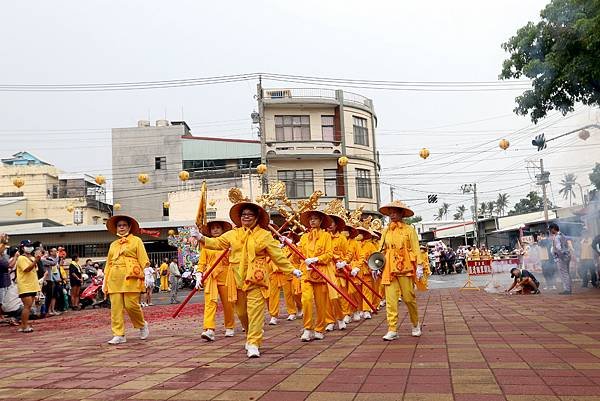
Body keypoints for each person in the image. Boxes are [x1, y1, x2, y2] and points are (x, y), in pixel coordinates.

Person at [194, 201, 302, 358]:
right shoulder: (233, 234)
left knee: (255, 311)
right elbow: (217, 243)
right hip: (236, 277)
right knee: (242, 312)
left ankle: (253, 342)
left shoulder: (265, 236)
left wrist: (291, 269)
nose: (246, 217)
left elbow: (277, 256)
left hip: (256, 276)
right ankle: (251, 333)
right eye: (244, 215)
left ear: (257, 218)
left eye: (250, 215)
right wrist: (201, 237)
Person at [378, 201, 424, 341]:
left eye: (395, 212)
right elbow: (381, 248)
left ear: (401, 213)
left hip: (405, 267)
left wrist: (420, 265)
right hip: (389, 268)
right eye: (390, 212)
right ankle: (392, 329)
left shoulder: (409, 229)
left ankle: (415, 324)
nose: (392, 215)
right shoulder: (386, 230)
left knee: (409, 298)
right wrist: (376, 264)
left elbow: (416, 247)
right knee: (391, 300)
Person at [103, 215, 150, 345]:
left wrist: (146, 271)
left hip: (131, 276)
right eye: (119, 225)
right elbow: (108, 263)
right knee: (116, 307)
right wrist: (104, 280)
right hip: (114, 277)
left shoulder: (136, 241)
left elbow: (143, 257)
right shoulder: (113, 244)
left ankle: (141, 324)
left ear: (129, 227)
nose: (122, 227)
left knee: (131, 305)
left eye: (124, 225)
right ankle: (119, 334)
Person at [295, 210, 334, 342]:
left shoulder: (326, 236)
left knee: (320, 302)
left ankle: (319, 328)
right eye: (311, 219)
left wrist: (316, 259)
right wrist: (288, 245)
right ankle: (307, 328)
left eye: (316, 219)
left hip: (320, 272)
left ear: (321, 221)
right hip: (306, 272)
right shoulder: (304, 237)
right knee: (306, 300)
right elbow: (298, 253)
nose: (312, 221)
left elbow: (329, 255)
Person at [196, 219, 236, 341]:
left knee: (228, 303)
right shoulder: (206, 246)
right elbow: (202, 263)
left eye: (218, 227)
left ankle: (229, 326)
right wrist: (199, 275)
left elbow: (235, 260)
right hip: (211, 277)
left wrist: (231, 251)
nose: (215, 230)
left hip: (226, 276)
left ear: (223, 230)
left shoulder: (228, 244)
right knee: (210, 303)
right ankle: (209, 329)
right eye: (213, 228)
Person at [324, 210, 349, 330]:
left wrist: (344, 261)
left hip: (338, 270)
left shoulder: (342, 238)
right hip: (325, 268)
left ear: (336, 224)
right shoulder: (323, 237)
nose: (330, 225)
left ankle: (340, 317)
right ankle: (329, 321)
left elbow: (348, 253)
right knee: (326, 298)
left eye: (332, 222)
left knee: (337, 296)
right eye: (328, 222)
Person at [268, 231, 299, 326]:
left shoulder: (288, 247)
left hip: (285, 273)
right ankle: (273, 315)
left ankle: (292, 312)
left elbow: (295, 254)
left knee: (289, 294)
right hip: (273, 273)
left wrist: (290, 245)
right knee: (272, 295)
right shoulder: (272, 245)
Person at [15, 240, 42, 333]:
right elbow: (26, 269)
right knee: (27, 306)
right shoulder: (21, 258)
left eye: (30, 246)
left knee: (29, 306)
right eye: (28, 246)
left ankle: (24, 324)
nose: (30, 247)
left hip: (32, 284)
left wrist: (36, 259)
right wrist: (36, 261)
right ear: (22, 248)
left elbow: (36, 269)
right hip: (25, 285)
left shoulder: (31, 257)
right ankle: (24, 326)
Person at [549, 223, 572, 295]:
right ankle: (568, 289)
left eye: (550, 229)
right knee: (566, 273)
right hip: (566, 255)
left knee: (564, 274)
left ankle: (567, 289)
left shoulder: (557, 237)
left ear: (553, 229)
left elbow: (558, 249)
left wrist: (561, 256)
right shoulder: (562, 235)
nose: (550, 231)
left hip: (561, 257)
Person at [41, 248, 61, 316]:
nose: (47, 255)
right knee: (47, 296)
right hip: (46, 279)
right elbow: (54, 263)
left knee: (50, 296)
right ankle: (46, 311)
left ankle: (48, 311)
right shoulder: (43, 260)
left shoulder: (45, 260)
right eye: (45, 253)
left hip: (49, 279)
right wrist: (58, 256)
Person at [0, 234, 12, 322]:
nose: (5, 249)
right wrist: (3, 239)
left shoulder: (4, 256)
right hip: (1, 280)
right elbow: (8, 265)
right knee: (0, 301)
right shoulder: (2, 257)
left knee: (3, 300)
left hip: (4, 280)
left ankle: (1, 316)